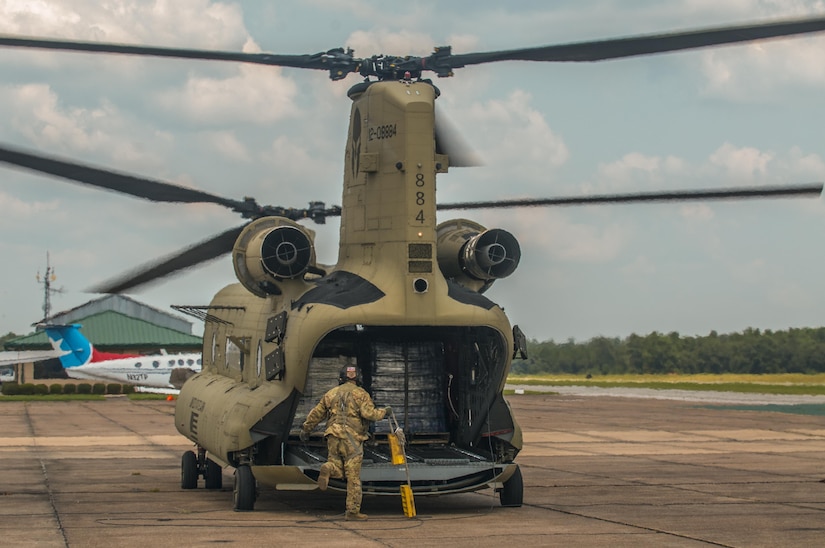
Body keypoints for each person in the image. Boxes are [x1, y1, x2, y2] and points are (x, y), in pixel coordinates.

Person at [301, 364, 391, 521]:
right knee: (353, 477)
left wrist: (305, 430)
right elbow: (369, 414)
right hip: (352, 440)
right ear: (358, 377)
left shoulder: (331, 393)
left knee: (337, 467)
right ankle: (353, 512)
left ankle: (329, 468)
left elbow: (316, 414)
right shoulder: (361, 394)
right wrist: (385, 412)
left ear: (341, 377)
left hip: (333, 437)